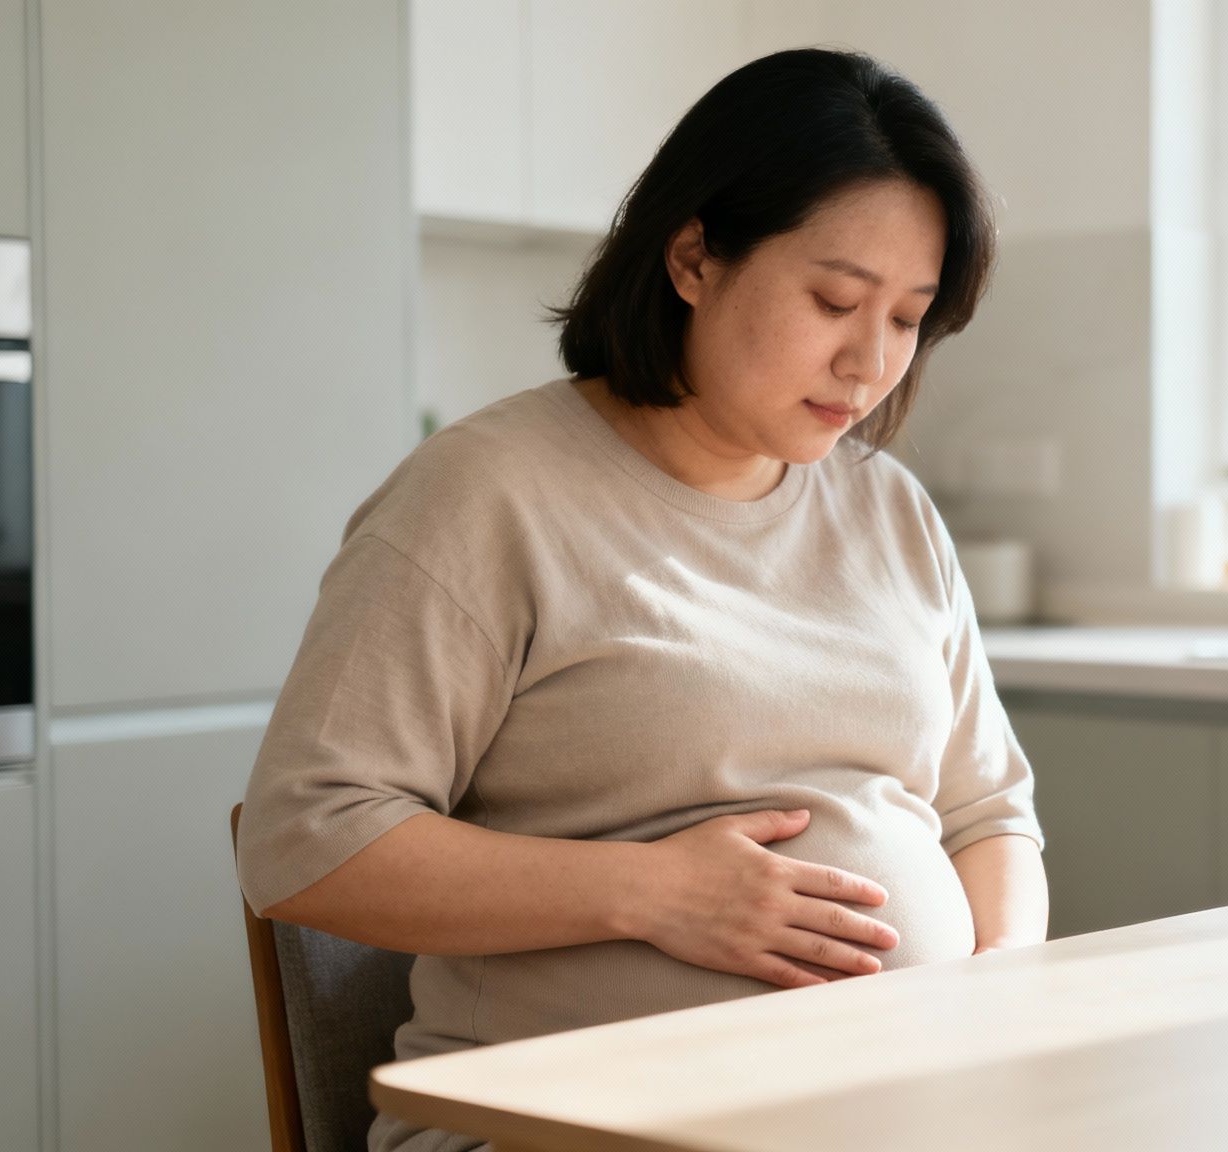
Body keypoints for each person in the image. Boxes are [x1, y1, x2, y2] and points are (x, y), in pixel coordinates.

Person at [234, 46, 1048, 1152]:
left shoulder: (888, 511)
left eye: (905, 319)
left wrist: (995, 992)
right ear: (692, 258)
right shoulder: (487, 495)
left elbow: (986, 817)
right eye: (832, 300)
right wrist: (652, 894)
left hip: (891, 1108)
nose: (868, 363)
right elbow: (306, 840)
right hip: (567, 1123)